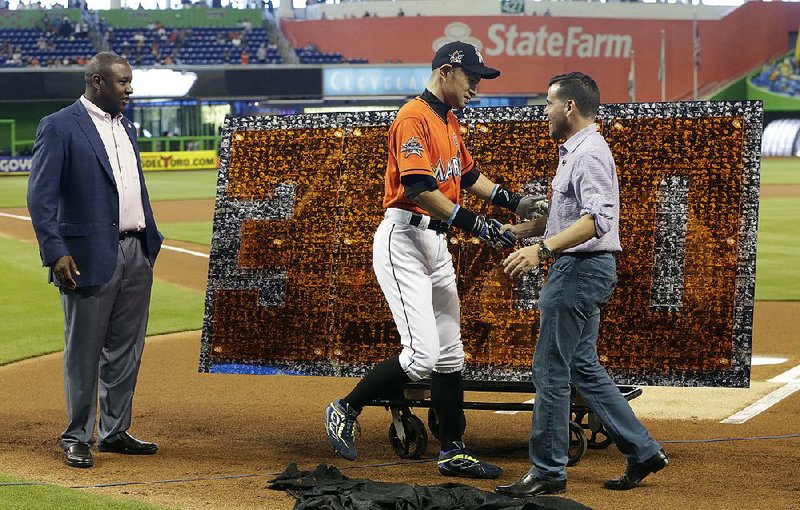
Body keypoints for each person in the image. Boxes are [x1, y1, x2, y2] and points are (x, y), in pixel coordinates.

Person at [324, 41, 540, 479]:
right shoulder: (413, 117)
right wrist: (479, 225)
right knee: (421, 355)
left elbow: (467, 176)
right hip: (403, 238)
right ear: (446, 72)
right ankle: (344, 407)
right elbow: (420, 187)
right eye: (472, 77)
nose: (477, 86)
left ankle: (454, 450)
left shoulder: (448, 120)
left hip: (435, 244)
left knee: (450, 356)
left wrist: (515, 203)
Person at [494, 72, 668, 497]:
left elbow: (596, 220)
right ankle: (642, 450)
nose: (545, 111)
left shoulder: (588, 153)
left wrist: (542, 250)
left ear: (569, 106)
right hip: (585, 269)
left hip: (578, 270)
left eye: (549, 103)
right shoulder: (577, 151)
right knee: (582, 366)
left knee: (550, 369)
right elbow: (571, 217)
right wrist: (521, 231)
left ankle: (549, 470)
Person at [27, 52, 163, 469]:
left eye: (130, 81)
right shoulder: (59, 126)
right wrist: (55, 252)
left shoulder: (128, 128)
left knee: (126, 349)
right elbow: (40, 196)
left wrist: (148, 242)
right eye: (122, 82)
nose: (130, 89)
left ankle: (115, 431)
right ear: (97, 81)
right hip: (85, 256)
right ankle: (77, 436)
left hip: (135, 249)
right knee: (84, 352)